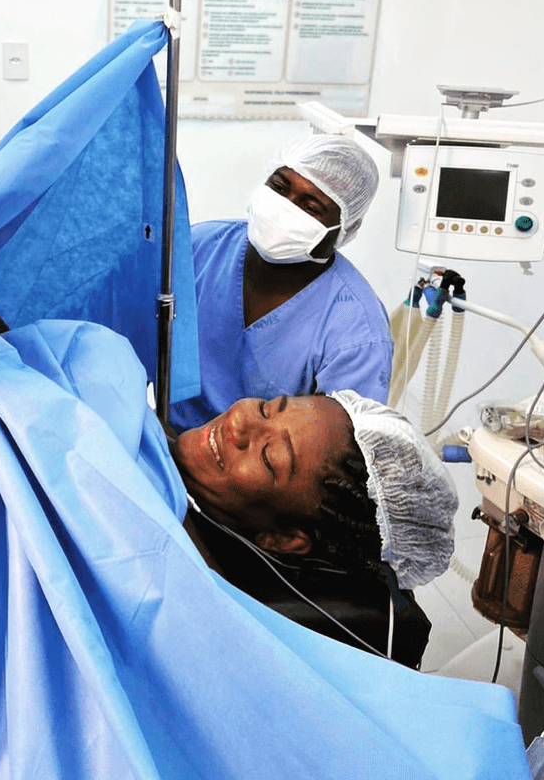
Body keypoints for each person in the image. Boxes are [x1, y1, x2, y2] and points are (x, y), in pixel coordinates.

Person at [170, 133, 394, 433]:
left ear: (344, 228)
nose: (284, 208)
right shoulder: (198, 248)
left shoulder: (356, 332)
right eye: (279, 187)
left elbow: (337, 449)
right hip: (165, 444)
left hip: (253, 476)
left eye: (311, 206)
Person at [171, 389, 458, 595]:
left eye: (269, 457)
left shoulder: (175, 583)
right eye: (266, 408)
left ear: (283, 540)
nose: (239, 419)